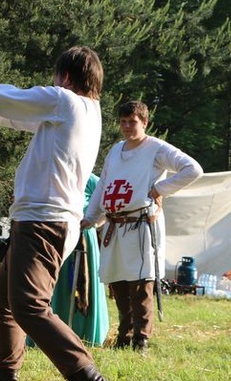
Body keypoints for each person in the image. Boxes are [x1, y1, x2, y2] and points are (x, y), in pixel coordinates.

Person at [0, 46, 115, 381]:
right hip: (46, 220)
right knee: (4, 301)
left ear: (66, 77)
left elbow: (9, 97)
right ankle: (5, 378)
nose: (52, 82)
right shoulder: (81, 112)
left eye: (55, 77)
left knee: (28, 305)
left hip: (45, 221)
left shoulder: (65, 102)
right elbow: (13, 114)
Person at [82, 100, 202, 353]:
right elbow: (103, 186)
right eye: (123, 122)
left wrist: (159, 189)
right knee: (118, 283)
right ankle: (124, 336)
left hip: (140, 224)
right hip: (115, 224)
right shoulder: (115, 151)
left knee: (140, 283)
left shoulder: (156, 148)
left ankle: (141, 339)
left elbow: (193, 169)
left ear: (144, 122)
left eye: (132, 121)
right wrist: (90, 218)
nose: (127, 126)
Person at [27, 174, 110, 348]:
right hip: (57, 236)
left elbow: (105, 209)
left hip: (84, 238)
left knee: (83, 285)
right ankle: (50, 332)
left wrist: (92, 223)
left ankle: (83, 333)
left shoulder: (93, 181)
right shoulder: (54, 175)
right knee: (53, 283)